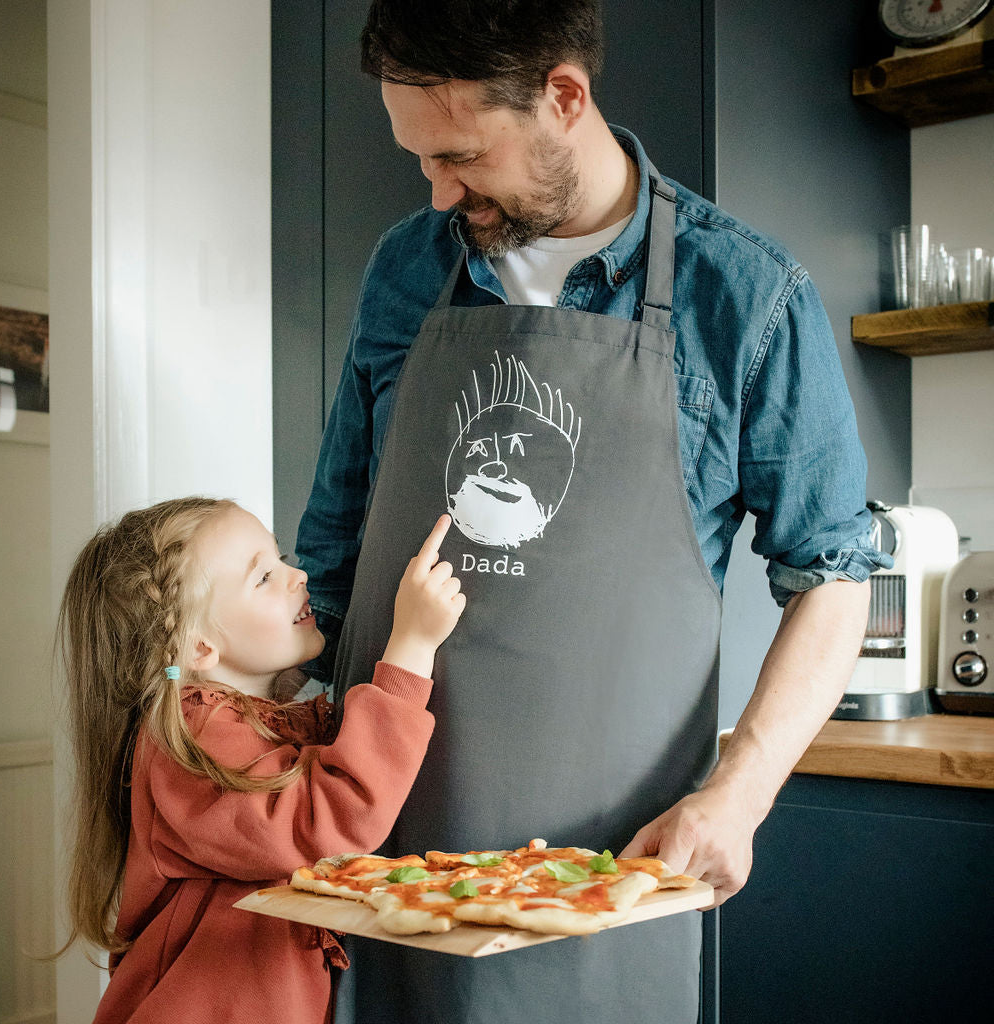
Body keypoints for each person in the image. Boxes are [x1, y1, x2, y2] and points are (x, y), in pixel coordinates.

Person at [295, 2, 889, 1020]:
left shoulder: (745, 296)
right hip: (378, 851)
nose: (436, 190)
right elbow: (333, 548)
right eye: (419, 159)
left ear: (563, 97)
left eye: (460, 155)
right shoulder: (405, 267)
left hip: (608, 867)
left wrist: (736, 794)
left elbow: (831, 576)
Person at [57, 497, 465, 1024]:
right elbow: (325, 820)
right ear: (200, 647)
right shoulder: (189, 742)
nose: (297, 574)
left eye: (281, 559)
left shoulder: (245, 725)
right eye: (263, 577)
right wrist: (411, 647)